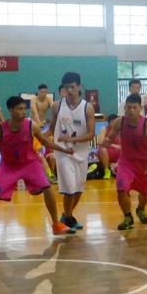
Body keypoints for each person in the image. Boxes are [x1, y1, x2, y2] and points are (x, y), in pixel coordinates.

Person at [0, 96, 76, 242]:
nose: (23, 112)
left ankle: (55, 225)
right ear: (10, 110)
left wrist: (64, 150)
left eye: (24, 109)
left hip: (30, 164)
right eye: (19, 109)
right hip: (8, 167)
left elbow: (46, 142)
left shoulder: (31, 126)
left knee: (47, 188)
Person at [103, 94, 147, 230]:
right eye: (129, 107)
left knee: (144, 193)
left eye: (135, 107)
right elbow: (110, 138)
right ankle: (127, 216)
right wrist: (107, 141)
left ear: (140, 108)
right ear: (125, 108)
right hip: (126, 162)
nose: (132, 110)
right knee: (121, 189)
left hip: (143, 164)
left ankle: (141, 209)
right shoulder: (119, 122)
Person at [48, 72, 95, 231]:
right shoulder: (57, 106)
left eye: (72, 87)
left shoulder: (88, 108)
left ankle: (66, 215)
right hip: (63, 153)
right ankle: (68, 219)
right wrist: (36, 135)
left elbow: (91, 134)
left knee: (78, 189)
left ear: (79, 87)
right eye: (66, 87)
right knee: (69, 189)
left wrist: (71, 138)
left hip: (81, 153)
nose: (69, 90)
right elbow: (51, 129)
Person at [97, 114, 122, 180]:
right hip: (107, 150)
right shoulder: (104, 129)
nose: (114, 124)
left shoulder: (120, 130)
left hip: (117, 152)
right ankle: (107, 171)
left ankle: (116, 167)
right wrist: (114, 146)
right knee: (103, 150)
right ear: (108, 122)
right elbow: (100, 142)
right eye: (112, 122)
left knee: (126, 151)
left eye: (115, 122)